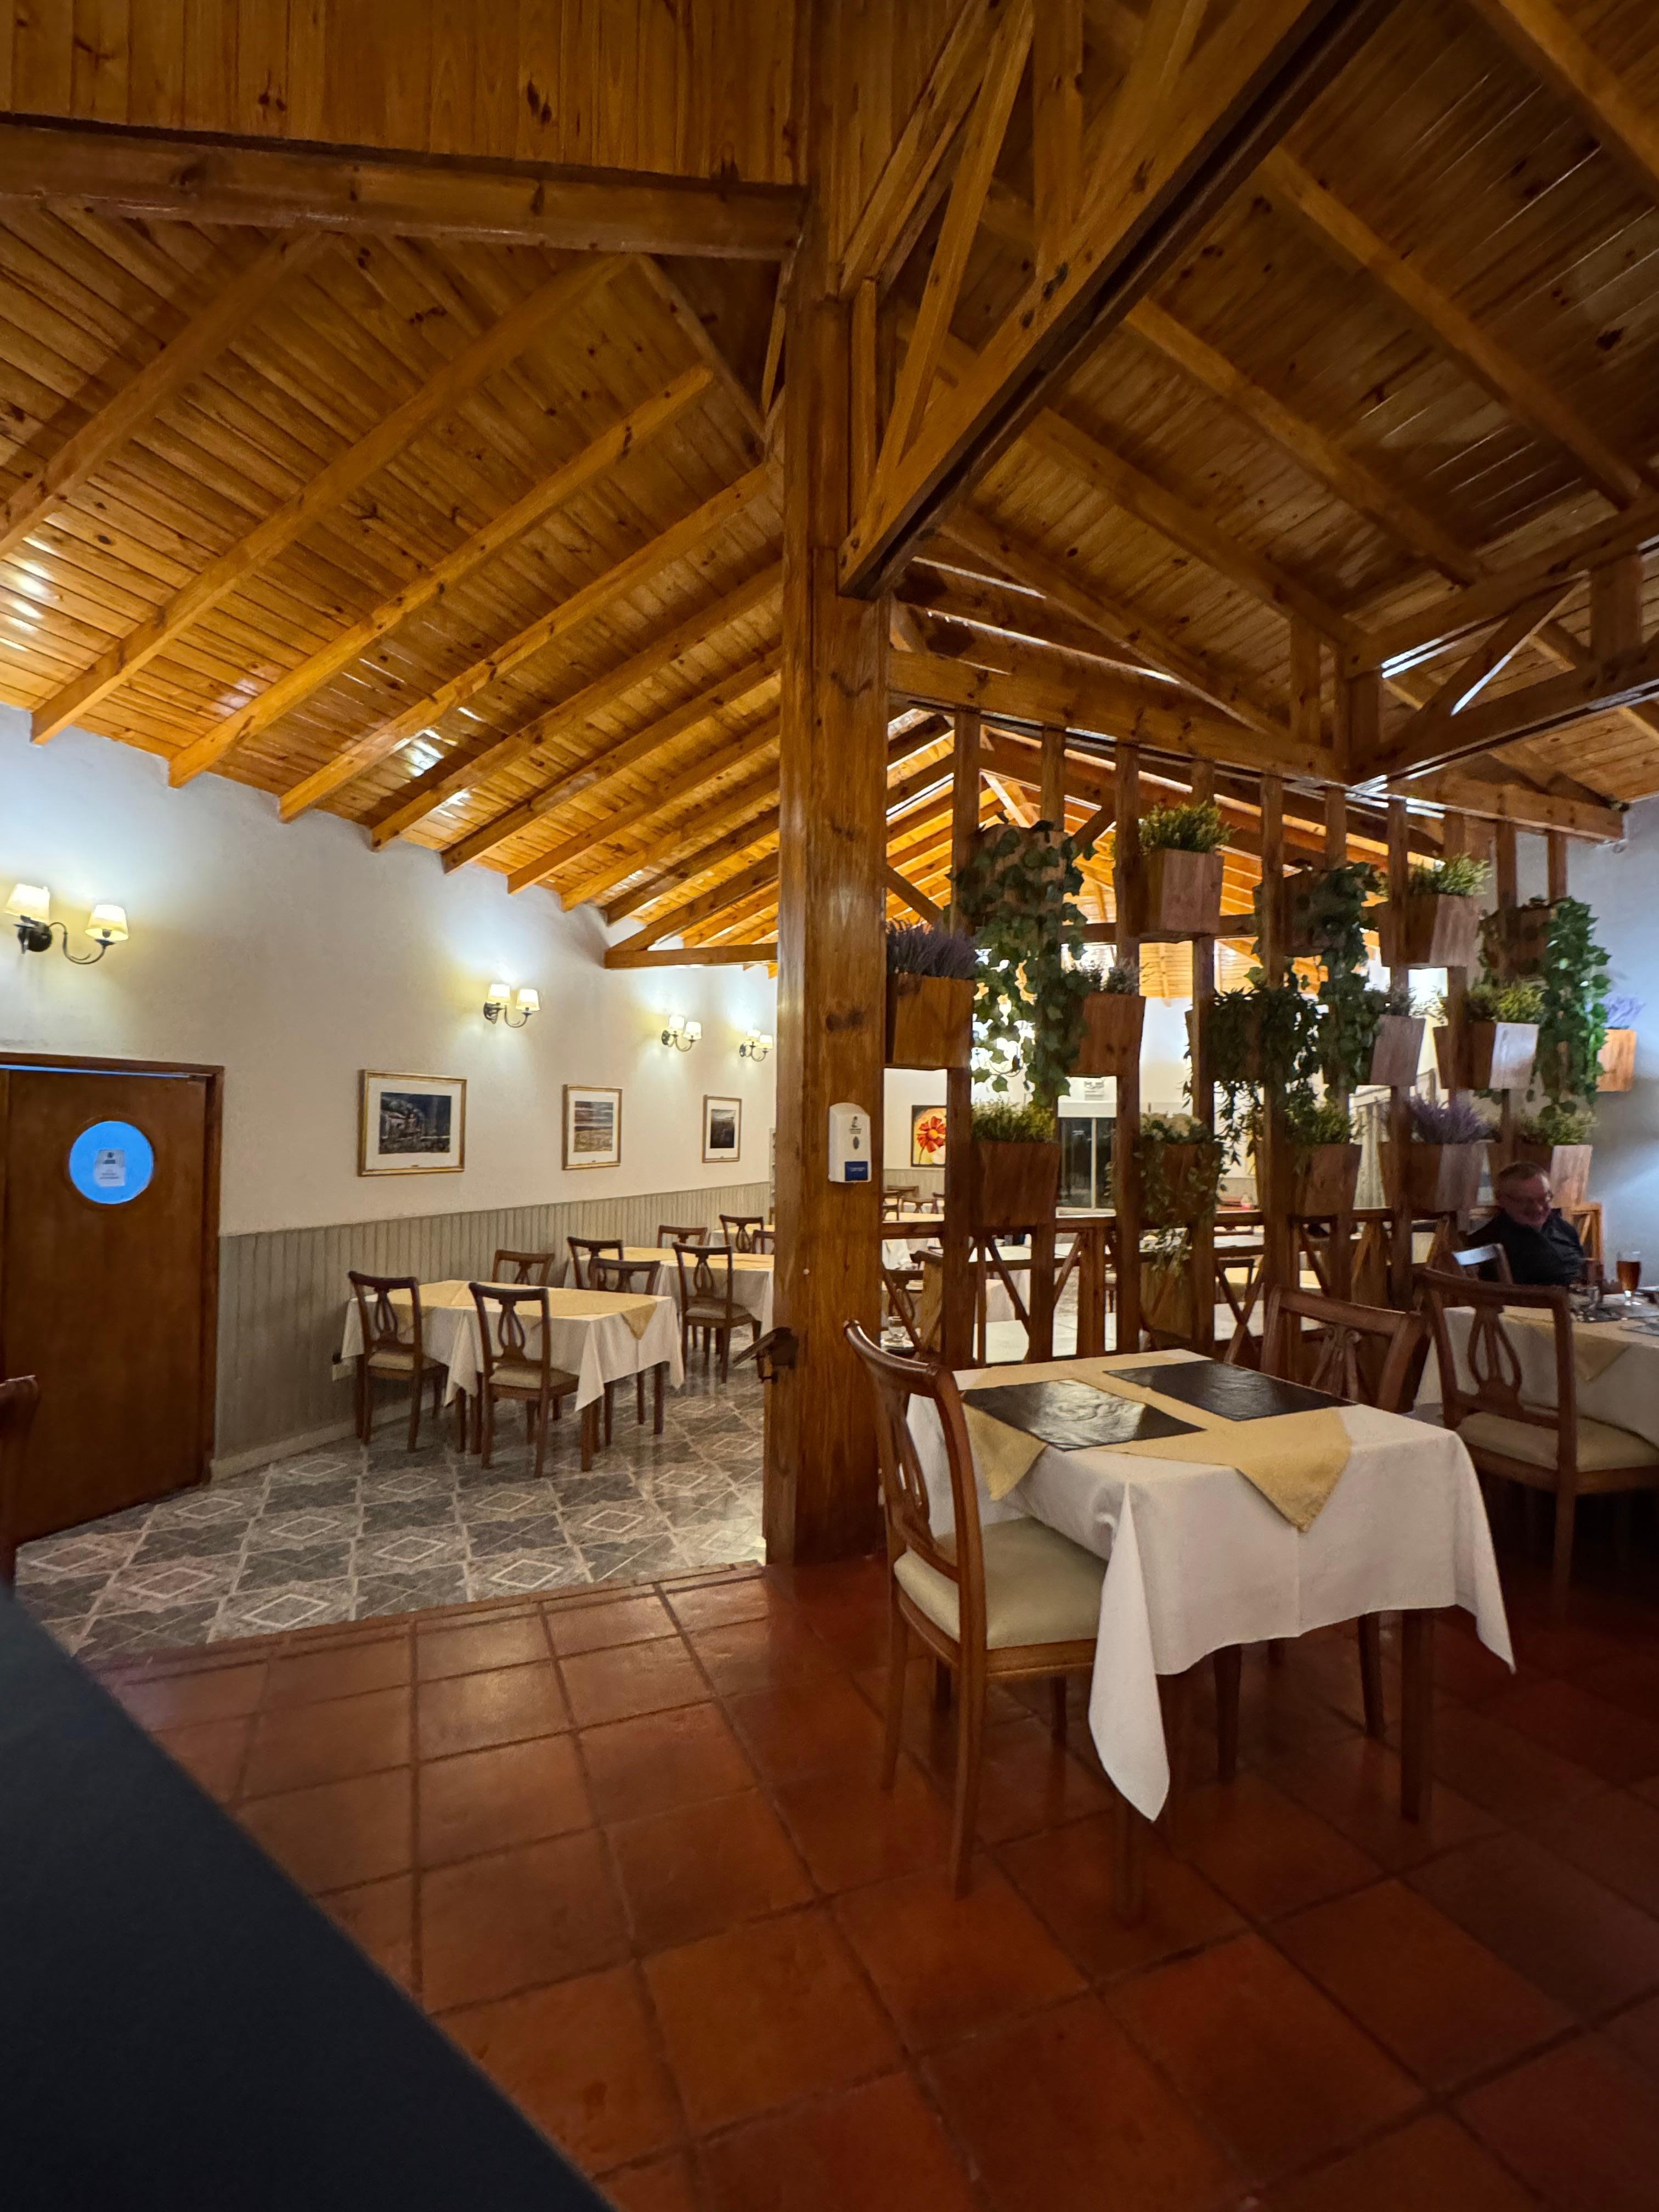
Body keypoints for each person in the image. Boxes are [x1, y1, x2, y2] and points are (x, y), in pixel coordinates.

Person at [1479, 1161, 1589, 1286]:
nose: (1538, 1209)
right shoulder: (1490, 1241)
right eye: (1525, 1201)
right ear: (1501, 1199)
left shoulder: (1563, 1227)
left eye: (1544, 1199)